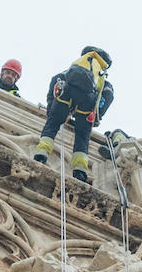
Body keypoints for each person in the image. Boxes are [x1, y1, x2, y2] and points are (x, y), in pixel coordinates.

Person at [33, 46, 114, 183]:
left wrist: (52, 110)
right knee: (83, 135)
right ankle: (80, 169)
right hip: (87, 105)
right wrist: (96, 117)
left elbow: (55, 83)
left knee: (52, 124)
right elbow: (107, 96)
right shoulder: (101, 78)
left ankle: (41, 153)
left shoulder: (72, 69)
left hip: (65, 96)